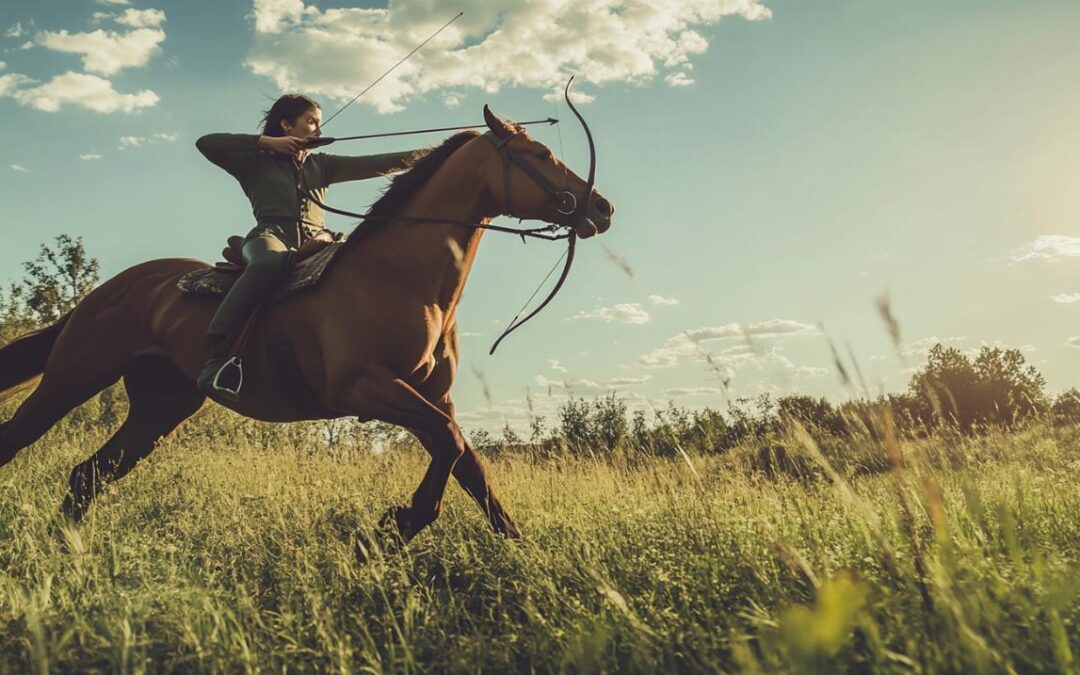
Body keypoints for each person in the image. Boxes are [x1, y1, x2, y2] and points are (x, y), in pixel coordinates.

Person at [195, 94, 416, 401]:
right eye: (311, 121)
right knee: (267, 264)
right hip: (270, 236)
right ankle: (219, 354)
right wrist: (265, 143)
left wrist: (441, 154)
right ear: (286, 124)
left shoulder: (321, 165)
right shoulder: (252, 161)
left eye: (319, 123)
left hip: (318, 241)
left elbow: (380, 163)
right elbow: (206, 143)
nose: (318, 130)